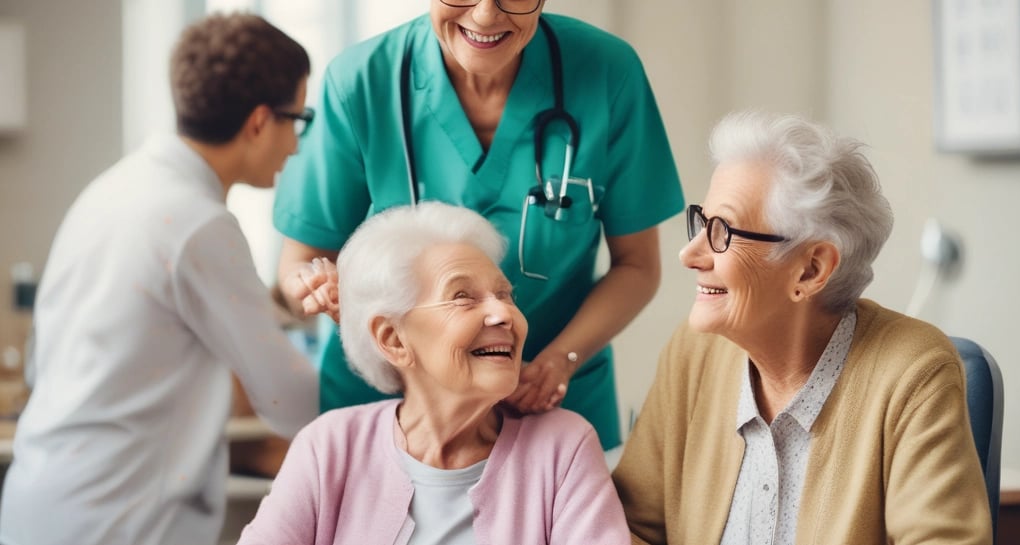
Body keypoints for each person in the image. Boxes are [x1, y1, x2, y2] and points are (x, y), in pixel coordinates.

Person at [272, 0, 685, 451]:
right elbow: (299, 262)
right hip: (394, 404)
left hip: (547, 398)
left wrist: (558, 362)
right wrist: (318, 288)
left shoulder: (607, 73)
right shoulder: (362, 81)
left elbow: (638, 267)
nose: (486, 15)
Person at [0, 13, 319, 545]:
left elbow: (40, 360)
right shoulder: (199, 222)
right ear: (261, 121)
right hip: (116, 521)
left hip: (41, 502)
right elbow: (292, 401)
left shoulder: (111, 189)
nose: (296, 145)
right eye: (298, 119)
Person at [612, 111, 991, 544]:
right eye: (701, 222)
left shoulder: (912, 372)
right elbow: (629, 529)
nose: (690, 254)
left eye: (723, 232)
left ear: (810, 270)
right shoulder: (693, 352)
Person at [238, 202, 629, 544]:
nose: (504, 314)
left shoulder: (563, 449)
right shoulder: (329, 446)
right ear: (393, 340)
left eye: (505, 295)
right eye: (462, 296)